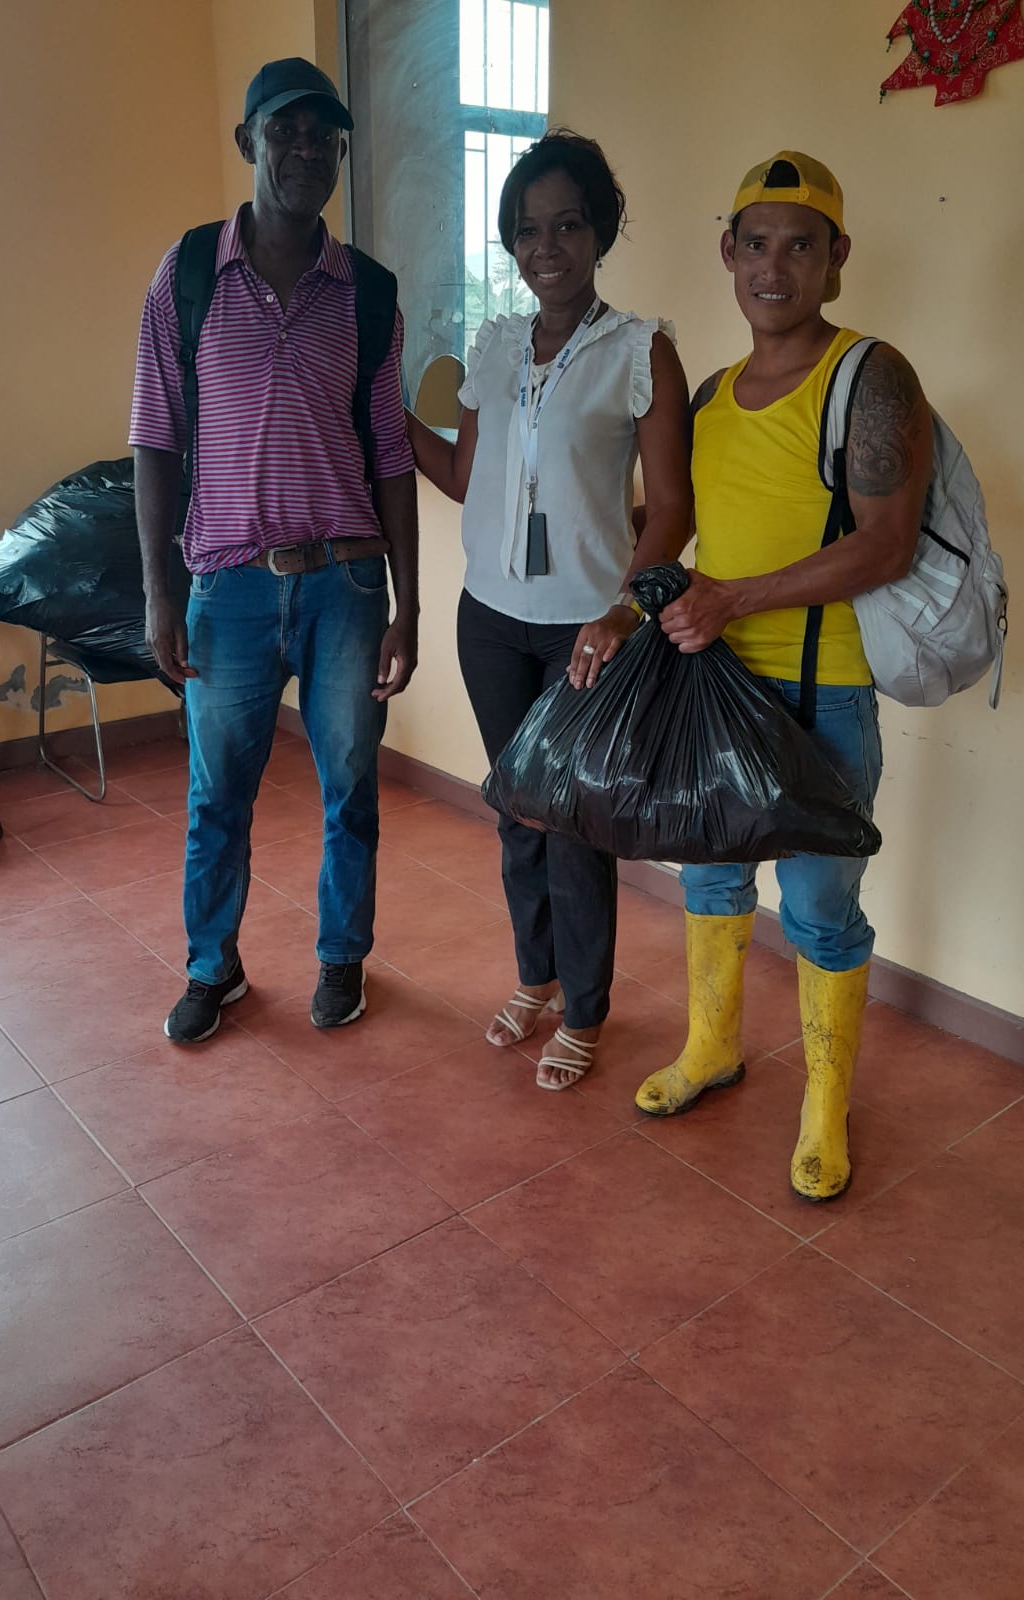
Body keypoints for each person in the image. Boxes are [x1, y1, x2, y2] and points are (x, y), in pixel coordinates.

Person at [634, 152, 931, 1200]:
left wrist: (735, 597)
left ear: (836, 257)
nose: (775, 266)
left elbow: (886, 544)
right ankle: (712, 1045)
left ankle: (823, 1106)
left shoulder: (870, 375)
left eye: (800, 245)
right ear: (728, 253)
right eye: (756, 244)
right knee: (711, 879)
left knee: (818, 909)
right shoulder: (712, 395)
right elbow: (685, 523)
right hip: (715, 689)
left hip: (824, 696)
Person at [129, 58, 419, 1043]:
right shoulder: (187, 276)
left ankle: (342, 957)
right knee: (217, 797)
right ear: (248, 140)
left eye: (323, 135)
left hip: (347, 585)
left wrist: (408, 603)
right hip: (228, 589)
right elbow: (157, 442)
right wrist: (161, 596)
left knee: (351, 788)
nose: (306, 150)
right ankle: (213, 968)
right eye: (286, 130)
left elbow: (391, 455)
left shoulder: (368, 292)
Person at [408, 131, 692, 1091]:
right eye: (528, 231)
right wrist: (382, 416)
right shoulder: (495, 345)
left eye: (567, 225)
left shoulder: (640, 351)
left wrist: (626, 609)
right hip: (488, 620)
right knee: (516, 810)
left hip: (585, 631)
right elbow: (461, 475)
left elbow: (675, 507)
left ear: (599, 231)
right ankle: (535, 975)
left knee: (575, 823)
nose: (547, 248)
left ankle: (585, 1009)